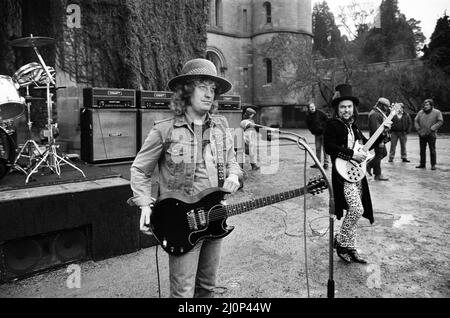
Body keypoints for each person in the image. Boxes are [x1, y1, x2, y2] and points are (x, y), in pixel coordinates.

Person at [128, 58, 243, 298]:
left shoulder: (221, 127)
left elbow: (233, 161)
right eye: (203, 86)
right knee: (183, 293)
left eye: (213, 89)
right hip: (181, 221)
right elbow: (140, 169)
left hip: (215, 215)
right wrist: (145, 203)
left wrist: (234, 173)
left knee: (207, 288)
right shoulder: (164, 129)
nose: (209, 94)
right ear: (186, 90)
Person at [324, 84, 391, 264]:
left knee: (355, 211)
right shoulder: (332, 125)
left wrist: (382, 132)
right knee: (356, 209)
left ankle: (351, 247)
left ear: (354, 108)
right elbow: (329, 147)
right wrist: (351, 154)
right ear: (337, 110)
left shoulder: (354, 127)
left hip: (356, 175)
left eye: (349, 106)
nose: (346, 110)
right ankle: (341, 241)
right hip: (342, 175)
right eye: (343, 107)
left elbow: (367, 145)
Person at [414, 98, 444, 170]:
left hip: (431, 134)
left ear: (431, 105)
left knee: (432, 150)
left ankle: (433, 165)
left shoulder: (437, 112)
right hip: (422, 134)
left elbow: (440, 121)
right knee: (422, 150)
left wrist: (432, 128)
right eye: (424, 105)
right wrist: (418, 129)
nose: (425, 106)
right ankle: (422, 164)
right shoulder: (420, 112)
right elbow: (416, 121)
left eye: (427, 105)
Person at [366, 97, 392, 181]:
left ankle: (370, 165)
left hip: (379, 138)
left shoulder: (378, 113)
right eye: (386, 106)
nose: (387, 108)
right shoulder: (375, 114)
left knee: (383, 153)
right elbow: (376, 129)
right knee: (379, 155)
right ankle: (377, 174)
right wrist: (386, 130)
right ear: (381, 105)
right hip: (377, 138)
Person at [305, 102, 329, 169]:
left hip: (324, 134)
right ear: (308, 109)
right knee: (318, 149)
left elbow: (327, 120)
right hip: (317, 134)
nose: (312, 108)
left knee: (325, 149)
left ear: (315, 107)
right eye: (310, 107)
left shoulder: (320, 113)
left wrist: (323, 127)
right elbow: (308, 125)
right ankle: (317, 164)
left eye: (313, 106)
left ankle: (326, 164)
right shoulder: (308, 116)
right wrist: (312, 131)